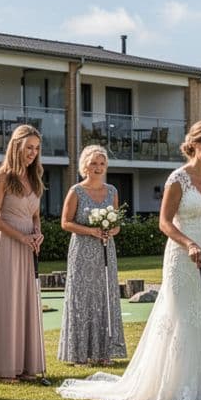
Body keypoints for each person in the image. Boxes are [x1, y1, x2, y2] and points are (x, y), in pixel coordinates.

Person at [57, 120, 201, 400]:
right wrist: (188, 243)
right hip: (182, 255)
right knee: (181, 317)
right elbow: (165, 223)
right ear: (194, 145)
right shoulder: (178, 178)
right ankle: (176, 384)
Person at [0, 125, 48, 384]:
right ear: (16, 146)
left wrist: (37, 232)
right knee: (7, 302)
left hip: (28, 247)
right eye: (29, 147)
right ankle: (5, 367)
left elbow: (35, 214)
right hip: (6, 245)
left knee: (26, 301)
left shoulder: (35, 177)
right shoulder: (2, 177)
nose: (33, 153)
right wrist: (21, 237)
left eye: (36, 148)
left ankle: (26, 365)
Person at [57, 144, 127, 365]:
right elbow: (65, 222)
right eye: (94, 163)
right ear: (84, 165)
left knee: (105, 296)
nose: (98, 167)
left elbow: (117, 223)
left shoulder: (112, 191)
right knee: (82, 297)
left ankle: (104, 352)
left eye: (102, 163)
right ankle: (79, 353)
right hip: (82, 251)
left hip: (106, 250)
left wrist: (111, 230)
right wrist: (91, 231)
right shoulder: (76, 191)